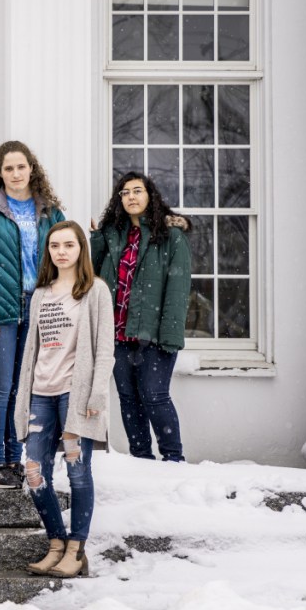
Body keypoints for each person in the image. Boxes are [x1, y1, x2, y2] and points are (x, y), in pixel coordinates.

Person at [0, 140, 65, 489]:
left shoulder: (49, 211)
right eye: (9, 168)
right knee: (0, 387)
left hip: (39, 308)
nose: (16, 173)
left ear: (31, 169)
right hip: (1, 312)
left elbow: (67, 254)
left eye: (21, 167)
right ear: (0, 173)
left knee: (25, 390)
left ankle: (15, 459)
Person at [15, 221, 114, 579]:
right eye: (55, 245)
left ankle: (76, 550)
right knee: (34, 472)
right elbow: (33, 350)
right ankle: (56, 543)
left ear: (80, 250)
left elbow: (105, 348)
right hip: (41, 393)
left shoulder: (95, 291)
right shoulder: (41, 293)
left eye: (69, 245)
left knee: (77, 471)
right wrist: (23, 396)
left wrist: (97, 392)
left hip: (75, 395)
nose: (61, 251)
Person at [91, 172, 191, 462]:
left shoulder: (171, 237)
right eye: (125, 192)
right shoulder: (113, 237)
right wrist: (97, 240)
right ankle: (141, 460)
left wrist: (170, 335)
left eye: (137, 191)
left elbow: (177, 290)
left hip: (153, 334)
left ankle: (174, 459)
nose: (131, 197)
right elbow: (93, 276)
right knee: (128, 399)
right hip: (117, 334)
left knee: (155, 395)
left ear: (150, 196)